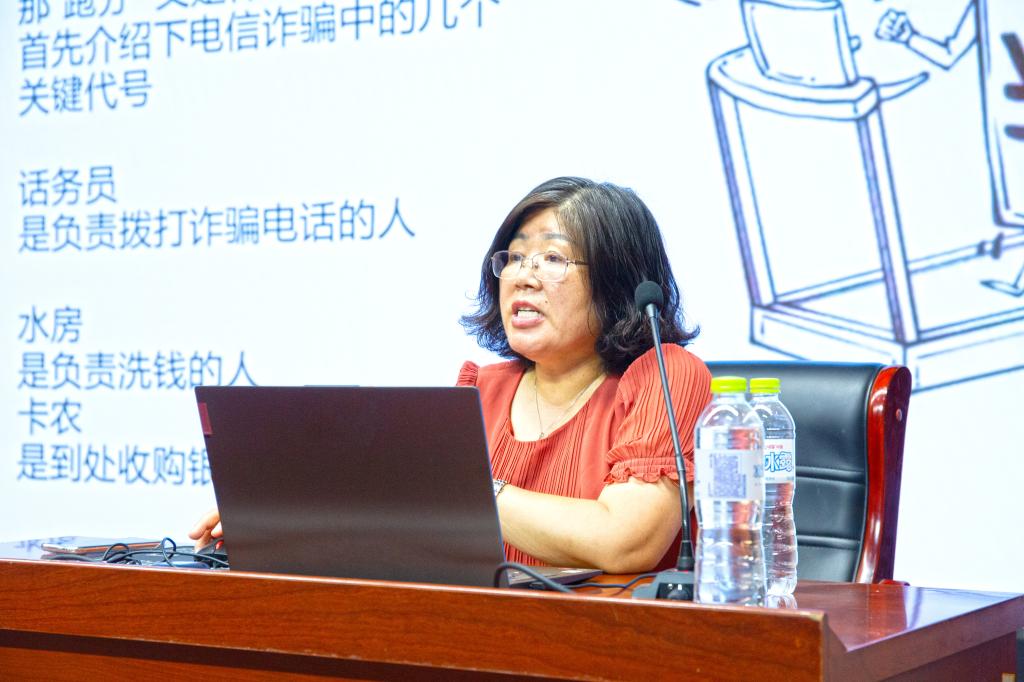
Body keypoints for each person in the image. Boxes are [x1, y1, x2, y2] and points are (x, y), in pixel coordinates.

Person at [191, 177, 712, 574]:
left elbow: (625, 541)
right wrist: (280, 523)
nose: (523, 276)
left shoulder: (664, 377)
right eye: (514, 256)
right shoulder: (481, 390)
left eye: (552, 257)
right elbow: (412, 527)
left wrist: (468, 492)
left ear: (618, 281)